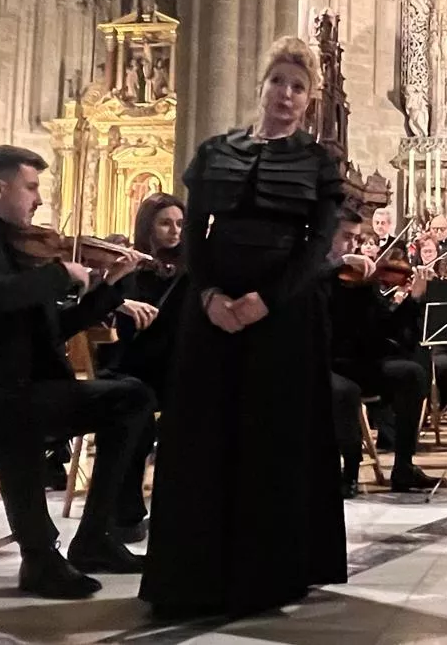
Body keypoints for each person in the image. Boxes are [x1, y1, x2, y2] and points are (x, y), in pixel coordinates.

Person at [141, 37, 347, 619]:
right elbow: (193, 238)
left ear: (310, 99)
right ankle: (191, 575)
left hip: (283, 315)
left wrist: (267, 300)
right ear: (262, 85)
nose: (286, 94)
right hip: (212, 312)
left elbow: (316, 248)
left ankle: (265, 577)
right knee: (203, 435)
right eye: (278, 81)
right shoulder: (214, 152)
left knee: (270, 437)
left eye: (298, 87)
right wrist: (208, 295)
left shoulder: (318, 161)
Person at [0, 146, 153, 598]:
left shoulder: (23, 252)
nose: (39, 200)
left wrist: (108, 291)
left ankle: (94, 538)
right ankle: (40, 558)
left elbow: (52, 331)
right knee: (18, 410)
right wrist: (59, 275)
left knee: (132, 397)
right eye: (31, 187)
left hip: (20, 392)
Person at [326, 205, 438, 496]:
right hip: (324, 364)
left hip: (361, 363)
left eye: (356, 239)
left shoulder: (361, 280)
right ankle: (349, 470)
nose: (353, 246)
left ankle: (403, 466)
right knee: (344, 392)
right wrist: (333, 269)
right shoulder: (313, 273)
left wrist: (413, 300)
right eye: (346, 238)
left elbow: (386, 326)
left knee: (411, 373)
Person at [98, 193, 187, 542]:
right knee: (135, 413)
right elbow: (102, 314)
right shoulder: (129, 268)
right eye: (165, 223)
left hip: (177, 366)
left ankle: (181, 508)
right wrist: (120, 301)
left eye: (180, 223)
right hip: (133, 364)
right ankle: (125, 513)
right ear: (147, 226)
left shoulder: (191, 270)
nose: (174, 231)